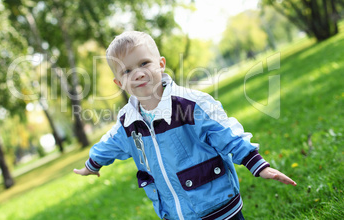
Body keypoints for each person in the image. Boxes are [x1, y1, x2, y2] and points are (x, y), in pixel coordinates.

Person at [74, 31, 297, 220]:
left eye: (144, 63)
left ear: (160, 64)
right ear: (119, 83)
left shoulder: (190, 104)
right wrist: (91, 166)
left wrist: (257, 164)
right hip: (175, 213)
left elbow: (225, 133)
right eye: (127, 71)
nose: (138, 73)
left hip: (217, 205)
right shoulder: (128, 123)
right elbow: (109, 144)